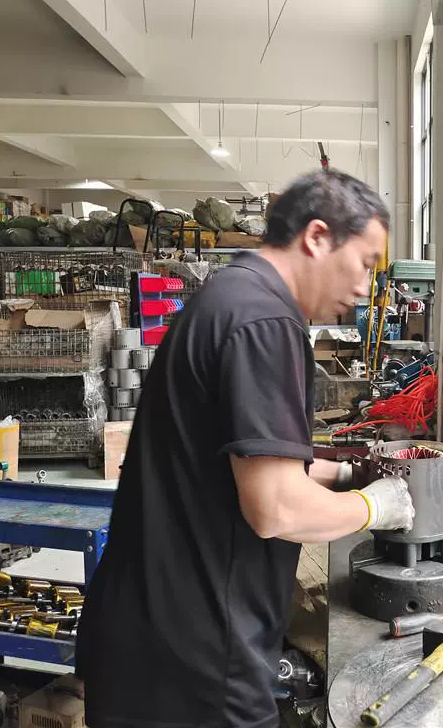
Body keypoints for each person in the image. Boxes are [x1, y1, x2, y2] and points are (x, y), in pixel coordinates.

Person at [76, 170, 416, 728]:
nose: (364, 287)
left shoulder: (231, 296)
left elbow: (226, 462)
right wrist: (376, 506)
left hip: (147, 639)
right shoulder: (265, 321)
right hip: (197, 662)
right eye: (365, 263)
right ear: (317, 237)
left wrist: (338, 474)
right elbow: (275, 508)